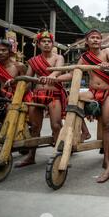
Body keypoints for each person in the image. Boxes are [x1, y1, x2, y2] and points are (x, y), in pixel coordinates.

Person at [57, 29, 109, 183]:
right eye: (92, 38)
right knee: (71, 100)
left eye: (98, 38)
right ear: (87, 41)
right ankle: (85, 132)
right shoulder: (84, 57)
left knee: (106, 125)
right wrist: (56, 78)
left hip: (107, 93)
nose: (95, 40)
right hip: (92, 92)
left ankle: (106, 158)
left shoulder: (107, 51)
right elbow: (73, 74)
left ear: (101, 41)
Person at [17, 30, 67, 168]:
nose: (46, 44)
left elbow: (58, 70)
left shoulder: (59, 57)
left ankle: (59, 156)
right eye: (43, 42)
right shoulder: (33, 61)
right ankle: (31, 156)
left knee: (56, 125)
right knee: (34, 127)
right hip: (37, 95)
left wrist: (52, 75)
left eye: (49, 41)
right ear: (38, 44)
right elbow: (28, 79)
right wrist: (17, 86)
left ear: (52, 44)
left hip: (54, 95)